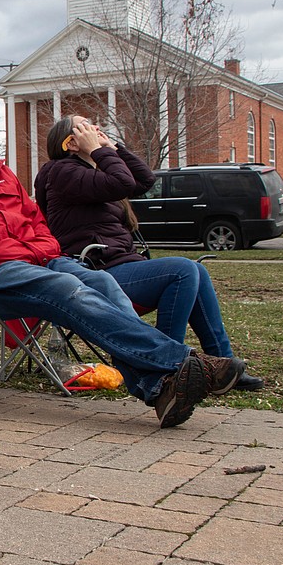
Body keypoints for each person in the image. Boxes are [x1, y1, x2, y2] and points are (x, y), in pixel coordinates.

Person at [0, 106, 248, 429]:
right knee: (66, 288)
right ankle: (183, 364)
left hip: (39, 259)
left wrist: (40, 248)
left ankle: (159, 387)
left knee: (103, 283)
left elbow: (40, 224)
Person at [34, 115, 264, 391]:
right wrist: (100, 151)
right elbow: (123, 184)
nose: (95, 129)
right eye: (86, 126)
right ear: (70, 143)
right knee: (182, 270)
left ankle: (222, 363)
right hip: (95, 270)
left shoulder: (93, 170)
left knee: (196, 271)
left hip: (122, 264)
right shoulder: (62, 172)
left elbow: (144, 179)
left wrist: (113, 147)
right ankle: (169, 366)